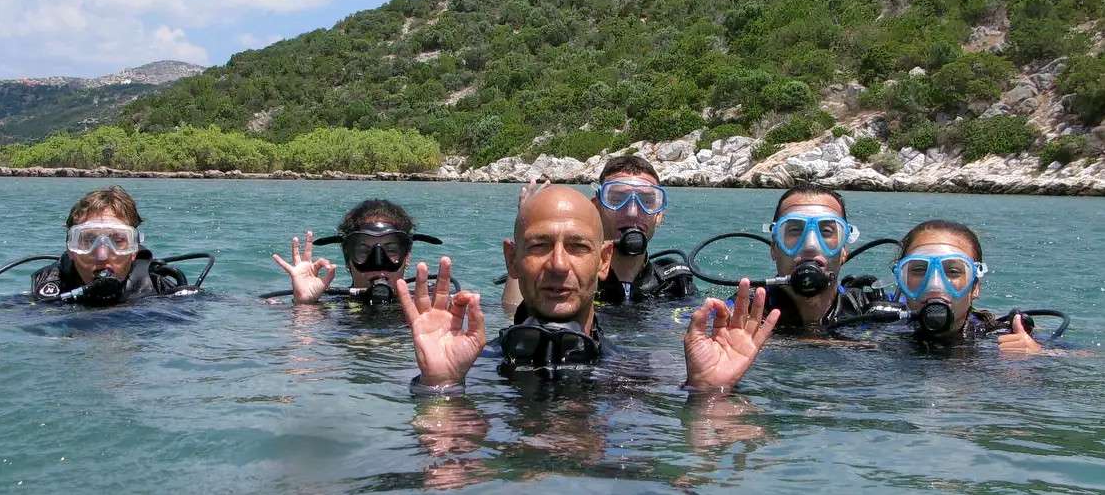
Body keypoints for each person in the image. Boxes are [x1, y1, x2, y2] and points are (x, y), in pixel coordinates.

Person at [396, 185, 779, 396]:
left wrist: (711, 392)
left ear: (603, 260)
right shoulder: (467, 368)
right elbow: (444, 475)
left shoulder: (643, 374)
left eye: (578, 247)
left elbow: (696, 472)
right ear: (511, 260)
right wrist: (439, 385)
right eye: (539, 245)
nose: (559, 265)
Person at [500, 155, 694, 308]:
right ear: (596, 208)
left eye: (647, 201)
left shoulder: (673, 283)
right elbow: (513, 314)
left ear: (659, 215)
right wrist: (525, 224)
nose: (633, 212)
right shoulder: (572, 276)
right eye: (617, 199)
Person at [25, 186, 195, 306]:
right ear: (71, 249)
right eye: (89, 240)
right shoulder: (49, 293)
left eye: (118, 241)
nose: (102, 255)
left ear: (134, 249)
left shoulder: (159, 291)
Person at [893, 219, 1042, 353]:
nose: (935, 285)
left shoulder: (1000, 338)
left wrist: (1036, 356)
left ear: (975, 286)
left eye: (953, 271)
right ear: (901, 280)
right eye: (919, 270)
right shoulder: (879, 328)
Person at [755, 183, 880, 331]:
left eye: (826, 231)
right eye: (795, 230)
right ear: (774, 248)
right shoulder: (742, 312)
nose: (810, 246)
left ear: (844, 251)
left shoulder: (873, 312)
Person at [273, 199, 442, 305]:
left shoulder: (431, 306)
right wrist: (303, 305)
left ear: (407, 257)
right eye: (363, 250)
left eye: (390, 250)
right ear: (348, 260)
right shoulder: (330, 309)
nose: (377, 262)